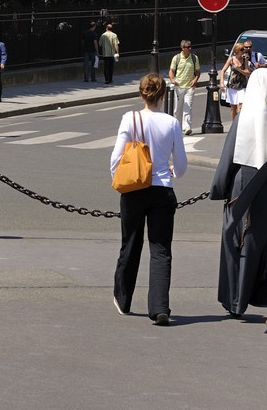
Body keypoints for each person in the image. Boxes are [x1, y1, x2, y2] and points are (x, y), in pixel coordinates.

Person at [210, 63, 267, 329]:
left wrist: (220, 187)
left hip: (251, 185)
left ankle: (237, 302)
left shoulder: (246, 118)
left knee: (244, 242)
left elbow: (229, 159)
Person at [109, 71, 187, 324]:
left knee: (130, 244)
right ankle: (160, 307)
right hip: (162, 189)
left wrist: (121, 179)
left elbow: (116, 158)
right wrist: (172, 171)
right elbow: (182, 165)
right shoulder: (172, 123)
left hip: (133, 189)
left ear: (141, 94)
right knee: (161, 249)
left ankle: (124, 299)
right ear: (163, 95)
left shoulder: (130, 119)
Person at [168, 39, 200, 135]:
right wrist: (172, 80)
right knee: (178, 108)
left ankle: (187, 127)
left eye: (190, 47)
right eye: (187, 47)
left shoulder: (194, 58)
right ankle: (177, 126)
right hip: (179, 86)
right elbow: (171, 70)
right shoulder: (176, 58)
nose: (189, 49)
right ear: (182, 48)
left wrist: (195, 80)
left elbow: (198, 71)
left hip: (190, 87)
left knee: (188, 107)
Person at [221, 41, 251, 117]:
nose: (244, 51)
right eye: (242, 50)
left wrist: (239, 69)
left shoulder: (245, 59)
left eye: (244, 49)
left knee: (241, 106)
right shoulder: (231, 59)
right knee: (233, 107)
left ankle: (240, 123)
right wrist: (222, 83)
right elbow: (223, 70)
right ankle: (234, 123)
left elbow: (247, 72)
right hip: (232, 85)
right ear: (237, 50)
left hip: (242, 85)